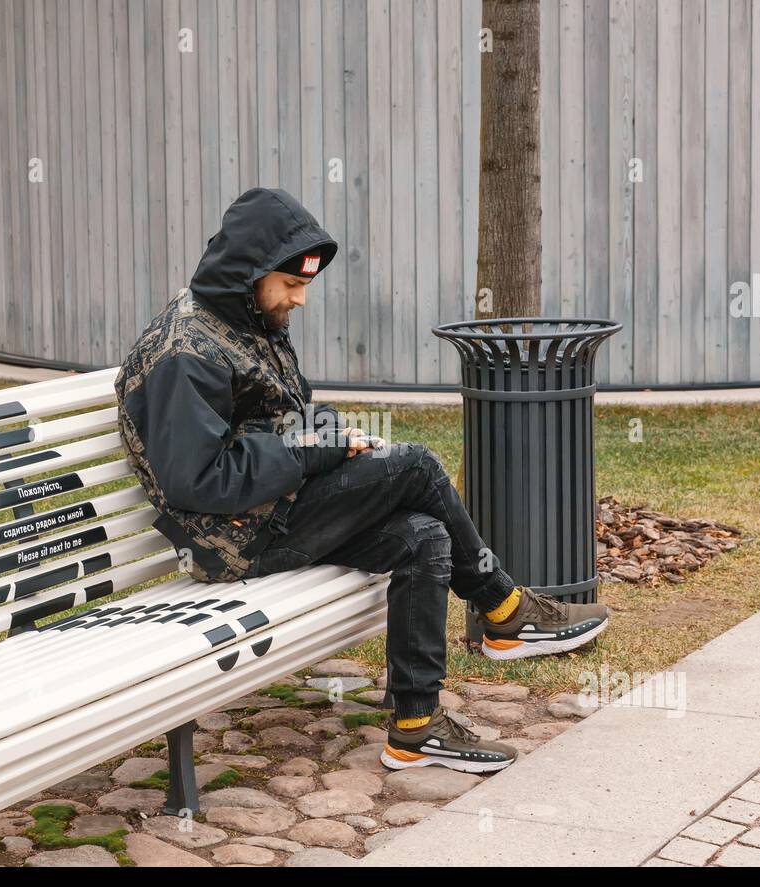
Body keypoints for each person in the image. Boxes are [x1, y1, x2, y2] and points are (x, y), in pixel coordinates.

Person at [115, 186, 611, 774]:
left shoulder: (247, 316)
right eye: (292, 286)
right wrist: (316, 451)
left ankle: (415, 727)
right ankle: (503, 609)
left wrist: (330, 438)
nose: (299, 300)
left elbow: (283, 417)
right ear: (251, 274)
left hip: (276, 511)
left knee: (424, 534)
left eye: (304, 287)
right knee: (417, 465)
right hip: (235, 538)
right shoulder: (186, 352)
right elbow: (197, 480)